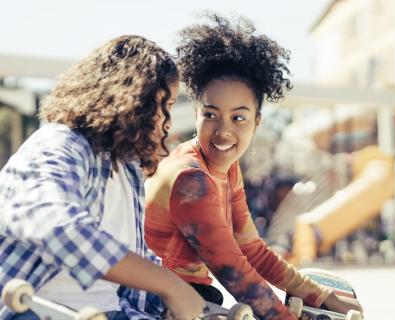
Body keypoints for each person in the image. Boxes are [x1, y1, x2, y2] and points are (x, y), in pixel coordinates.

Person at [144, 14, 363, 320]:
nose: (223, 131)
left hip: (192, 297)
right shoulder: (191, 177)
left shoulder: (227, 169)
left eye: (239, 117)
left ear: (257, 122)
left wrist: (321, 295)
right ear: (196, 113)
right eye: (210, 114)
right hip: (159, 302)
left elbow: (252, 249)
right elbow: (234, 270)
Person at [0, 35, 204, 320]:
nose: (167, 122)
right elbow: (57, 227)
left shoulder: (127, 169)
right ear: (135, 97)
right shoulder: (58, 144)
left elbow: (137, 274)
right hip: (35, 308)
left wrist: (197, 310)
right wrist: (170, 286)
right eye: (165, 104)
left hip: (110, 312)